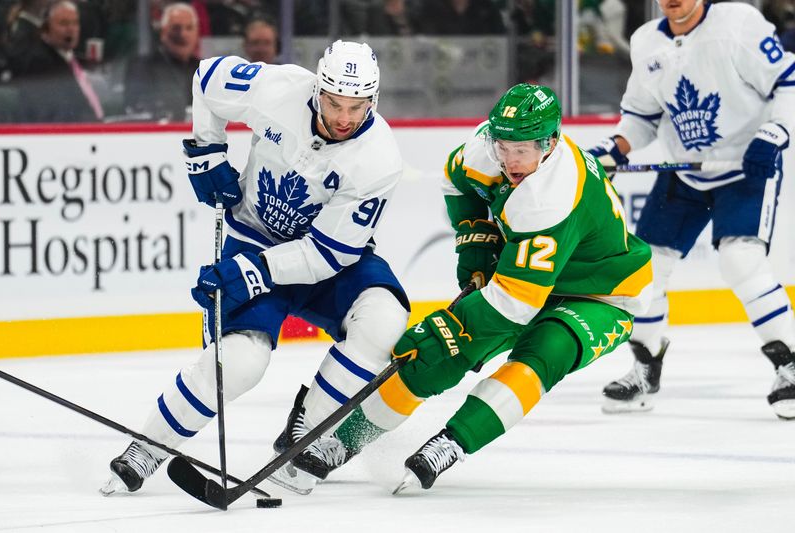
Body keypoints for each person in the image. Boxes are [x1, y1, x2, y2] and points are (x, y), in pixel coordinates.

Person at [272, 83, 654, 494]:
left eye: (522, 150)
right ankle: (342, 443)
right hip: (526, 273)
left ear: (551, 143)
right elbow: (458, 185)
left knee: (546, 352)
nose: (509, 160)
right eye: (504, 146)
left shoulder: (550, 197)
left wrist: (446, 326)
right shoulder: (484, 149)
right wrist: (477, 245)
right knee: (437, 358)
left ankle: (453, 443)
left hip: (600, 291)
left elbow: (513, 306)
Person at [100, 39, 409, 495]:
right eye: (334, 103)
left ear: (374, 101)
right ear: (317, 90)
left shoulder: (378, 159)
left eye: (358, 107)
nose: (344, 118)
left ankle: (305, 438)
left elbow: (328, 255)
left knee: (385, 321)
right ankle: (149, 447)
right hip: (252, 237)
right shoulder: (279, 89)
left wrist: (251, 273)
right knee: (241, 363)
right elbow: (207, 79)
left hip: (328, 260)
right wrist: (207, 150)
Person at [587, 0, 795, 418]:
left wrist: (774, 132)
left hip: (745, 167)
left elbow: (787, 82)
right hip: (685, 172)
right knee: (644, 270)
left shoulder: (737, 23)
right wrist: (616, 149)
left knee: (741, 262)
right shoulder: (647, 42)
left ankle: (789, 365)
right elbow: (641, 117)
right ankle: (645, 369)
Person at [17, 0, 103, 122]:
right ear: (46, 29)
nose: (71, 29)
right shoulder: (41, 63)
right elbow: (54, 114)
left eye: (75, 23)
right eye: (64, 23)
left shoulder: (70, 58)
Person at [123, 2, 200, 121]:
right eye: (176, 28)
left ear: (196, 33)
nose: (183, 34)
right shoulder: (141, 67)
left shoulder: (204, 69)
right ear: (163, 32)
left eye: (189, 28)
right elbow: (138, 107)